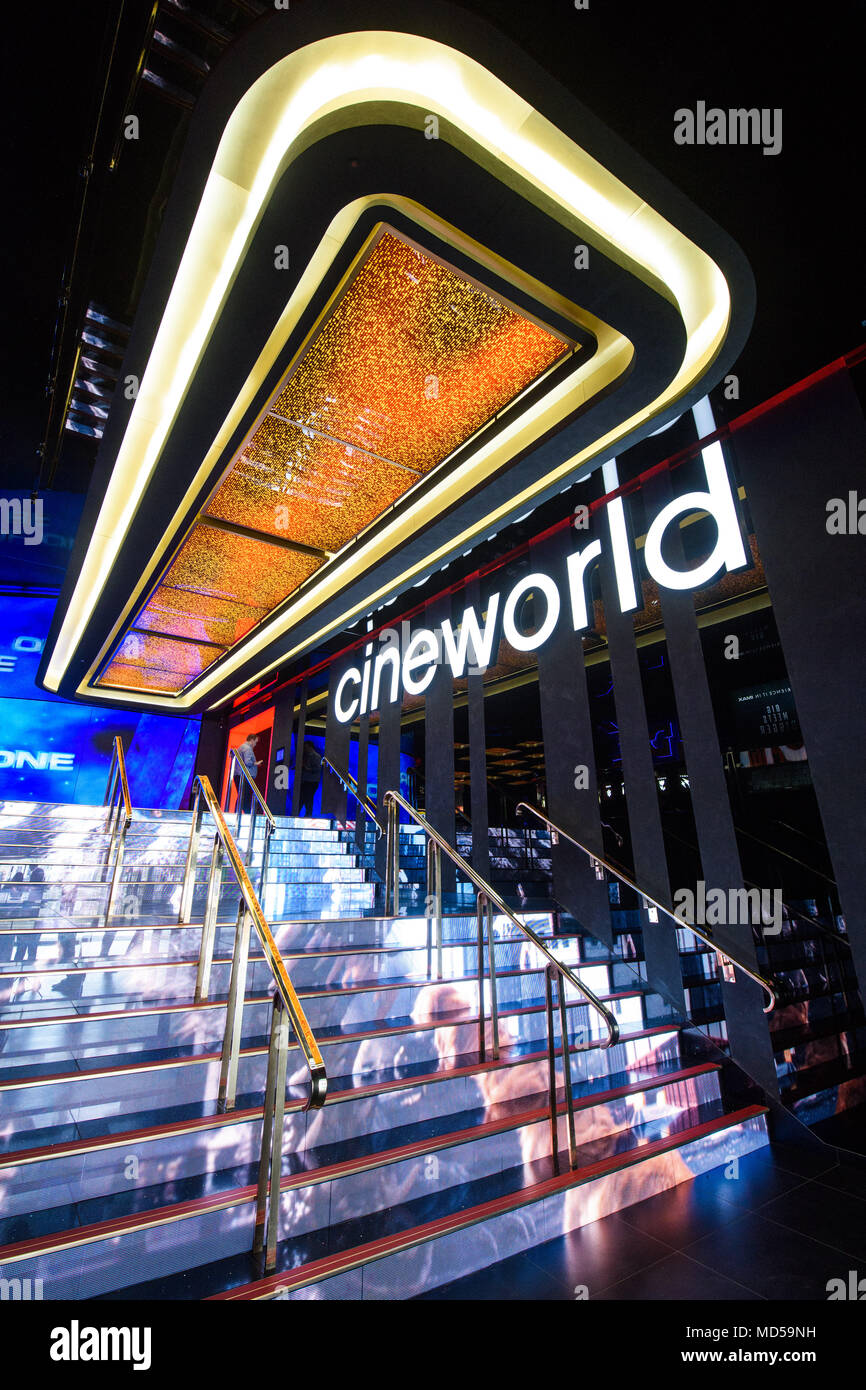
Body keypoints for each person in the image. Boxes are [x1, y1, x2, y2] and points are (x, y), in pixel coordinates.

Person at [233, 733, 262, 814]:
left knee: (242, 796)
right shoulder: (247, 748)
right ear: (252, 740)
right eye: (255, 742)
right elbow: (248, 762)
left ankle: (240, 813)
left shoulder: (242, 747)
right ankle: (246, 814)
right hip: (244, 776)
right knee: (244, 796)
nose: (255, 744)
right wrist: (256, 763)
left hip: (239, 775)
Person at [298, 740, 322, 816]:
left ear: (310, 747)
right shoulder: (306, 756)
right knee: (303, 798)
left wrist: (307, 768)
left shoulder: (316, 756)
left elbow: (318, 769)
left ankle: (308, 814)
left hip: (311, 781)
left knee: (308, 798)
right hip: (305, 781)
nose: (305, 749)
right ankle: (302, 813)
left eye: (306, 747)